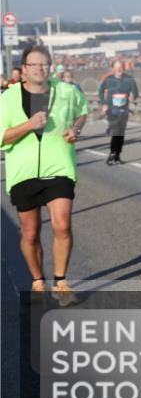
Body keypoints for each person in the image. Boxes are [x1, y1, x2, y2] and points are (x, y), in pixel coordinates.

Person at [0, 45, 88, 305]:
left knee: (62, 225)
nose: (39, 68)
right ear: (24, 69)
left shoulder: (67, 91)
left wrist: (75, 129)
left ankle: (61, 283)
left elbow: (82, 112)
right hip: (24, 172)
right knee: (30, 233)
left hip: (59, 167)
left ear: (50, 67)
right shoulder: (8, 98)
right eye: (33, 64)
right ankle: (38, 281)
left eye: (44, 64)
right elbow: (2, 138)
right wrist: (29, 125)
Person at [98, 60, 140, 165]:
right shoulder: (108, 79)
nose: (118, 69)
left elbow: (135, 92)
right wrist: (104, 103)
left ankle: (117, 155)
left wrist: (133, 97)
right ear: (113, 69)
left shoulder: (129, 79)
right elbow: (101, 91)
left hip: (124, 109)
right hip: (112, 109)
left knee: (121, 133)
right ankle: (112, 153)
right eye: (116, 67)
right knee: (116, 131)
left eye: (120, 67)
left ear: (123, 68)